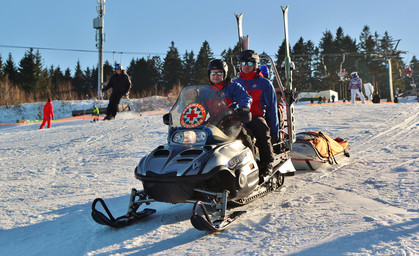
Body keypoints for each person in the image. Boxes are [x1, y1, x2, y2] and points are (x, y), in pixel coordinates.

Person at [234, 49, 280, 177]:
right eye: (244, 63)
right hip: (240, 120)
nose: (246, 66)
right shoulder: (236, 83)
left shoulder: (264, 83)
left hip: (255, 117)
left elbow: (272, 108)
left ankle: (266, 163)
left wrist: (274, 131)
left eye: (249, 63)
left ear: (255, 65)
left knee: (261, 127)